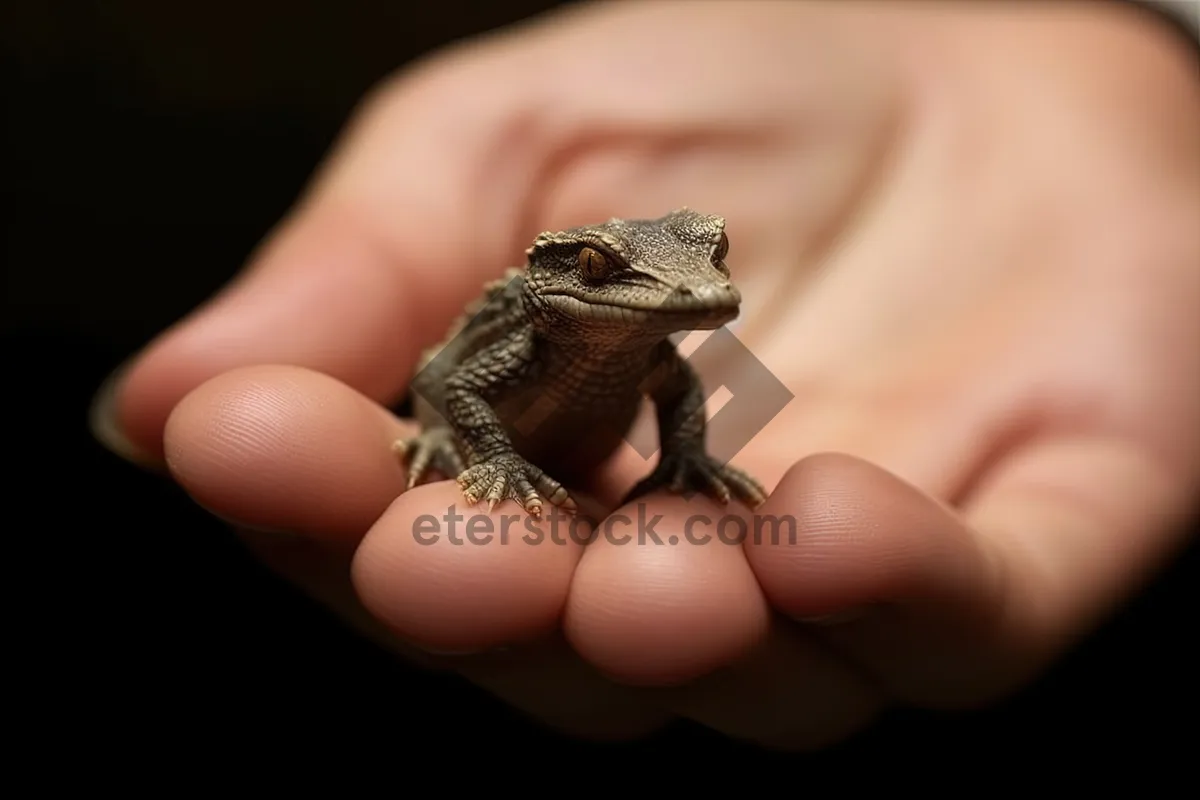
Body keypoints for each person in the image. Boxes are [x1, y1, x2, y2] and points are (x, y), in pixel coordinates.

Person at [88, 1, 1199, 748]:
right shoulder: (520, 334)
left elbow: (674, 391)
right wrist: (484, 461)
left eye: (707, 259)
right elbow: (458, 386)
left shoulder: (659, 353)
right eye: (608, 276)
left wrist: (689, 458)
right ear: (560, 278)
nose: (689, 292)